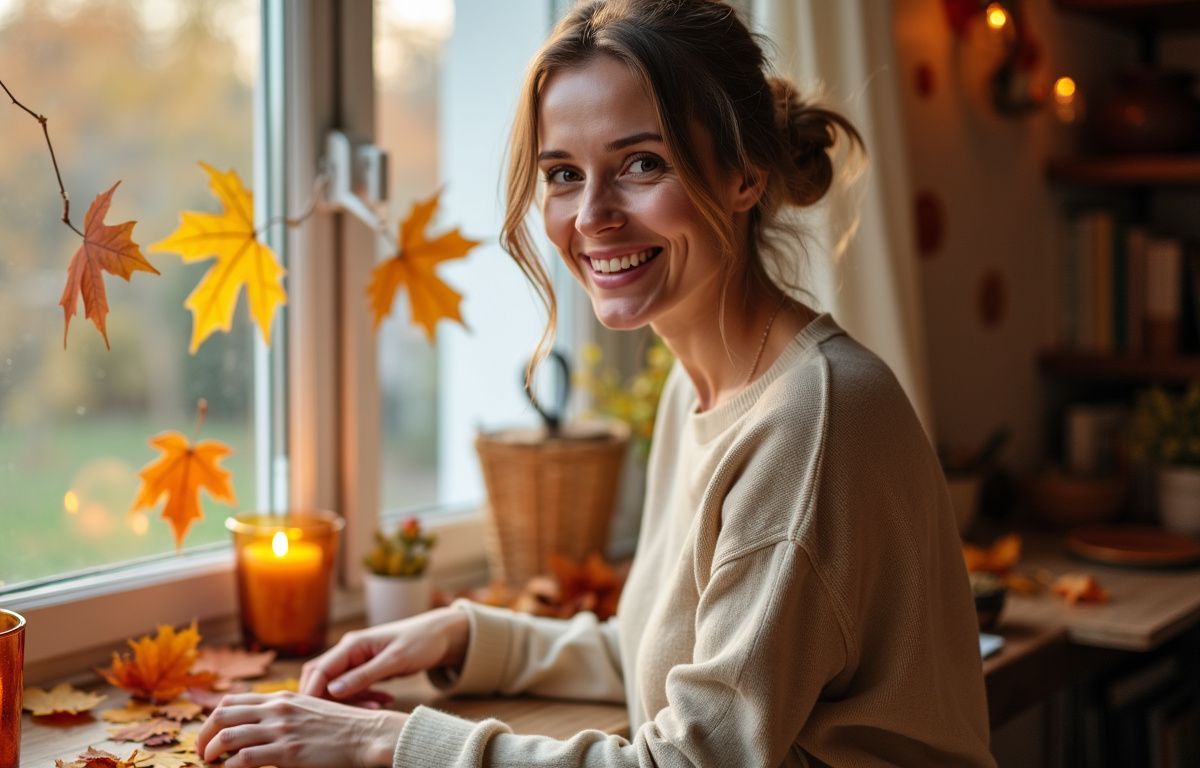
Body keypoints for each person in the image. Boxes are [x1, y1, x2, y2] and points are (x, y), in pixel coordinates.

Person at [197, 1, 996, 765]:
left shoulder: (811, 419)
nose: (591, 217)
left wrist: (382, 743)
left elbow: (694, 759)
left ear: (744, 174)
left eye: (642, 164)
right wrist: (465, 635)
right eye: (563, 174)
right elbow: (669, 656)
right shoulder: (702, 387)